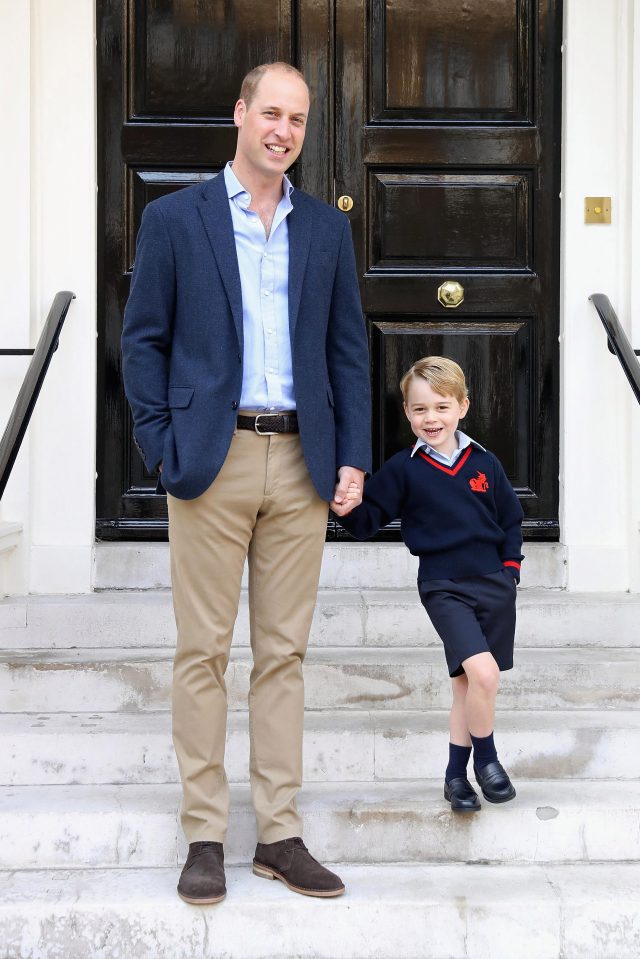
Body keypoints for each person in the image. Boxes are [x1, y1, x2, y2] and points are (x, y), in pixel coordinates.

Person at [122, 61, 371, 904]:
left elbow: (348, 350)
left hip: (302, 461)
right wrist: (161, 447)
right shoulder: (174, 219)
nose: (284, 131)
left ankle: (278, 832)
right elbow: (143, 340)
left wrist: (353, 455)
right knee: (202, 651)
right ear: (239, 112)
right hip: (211, 457)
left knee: (283, 654)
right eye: (271, 112)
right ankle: (202, 832)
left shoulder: (327, 230)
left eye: (298, 119)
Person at [333, 356, 523, 813]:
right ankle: (488, 761)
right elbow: (368, 521)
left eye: (441, 407)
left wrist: (511, 573)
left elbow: (511, 520)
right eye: (420, 410)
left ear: (463, 407)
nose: (431, 418)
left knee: (466, 685)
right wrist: (345, 507)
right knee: (484, 675)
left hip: (494, 585)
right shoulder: (403, 469)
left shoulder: (484, 462)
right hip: (443, 586)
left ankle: (455, 777)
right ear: (407, 413)